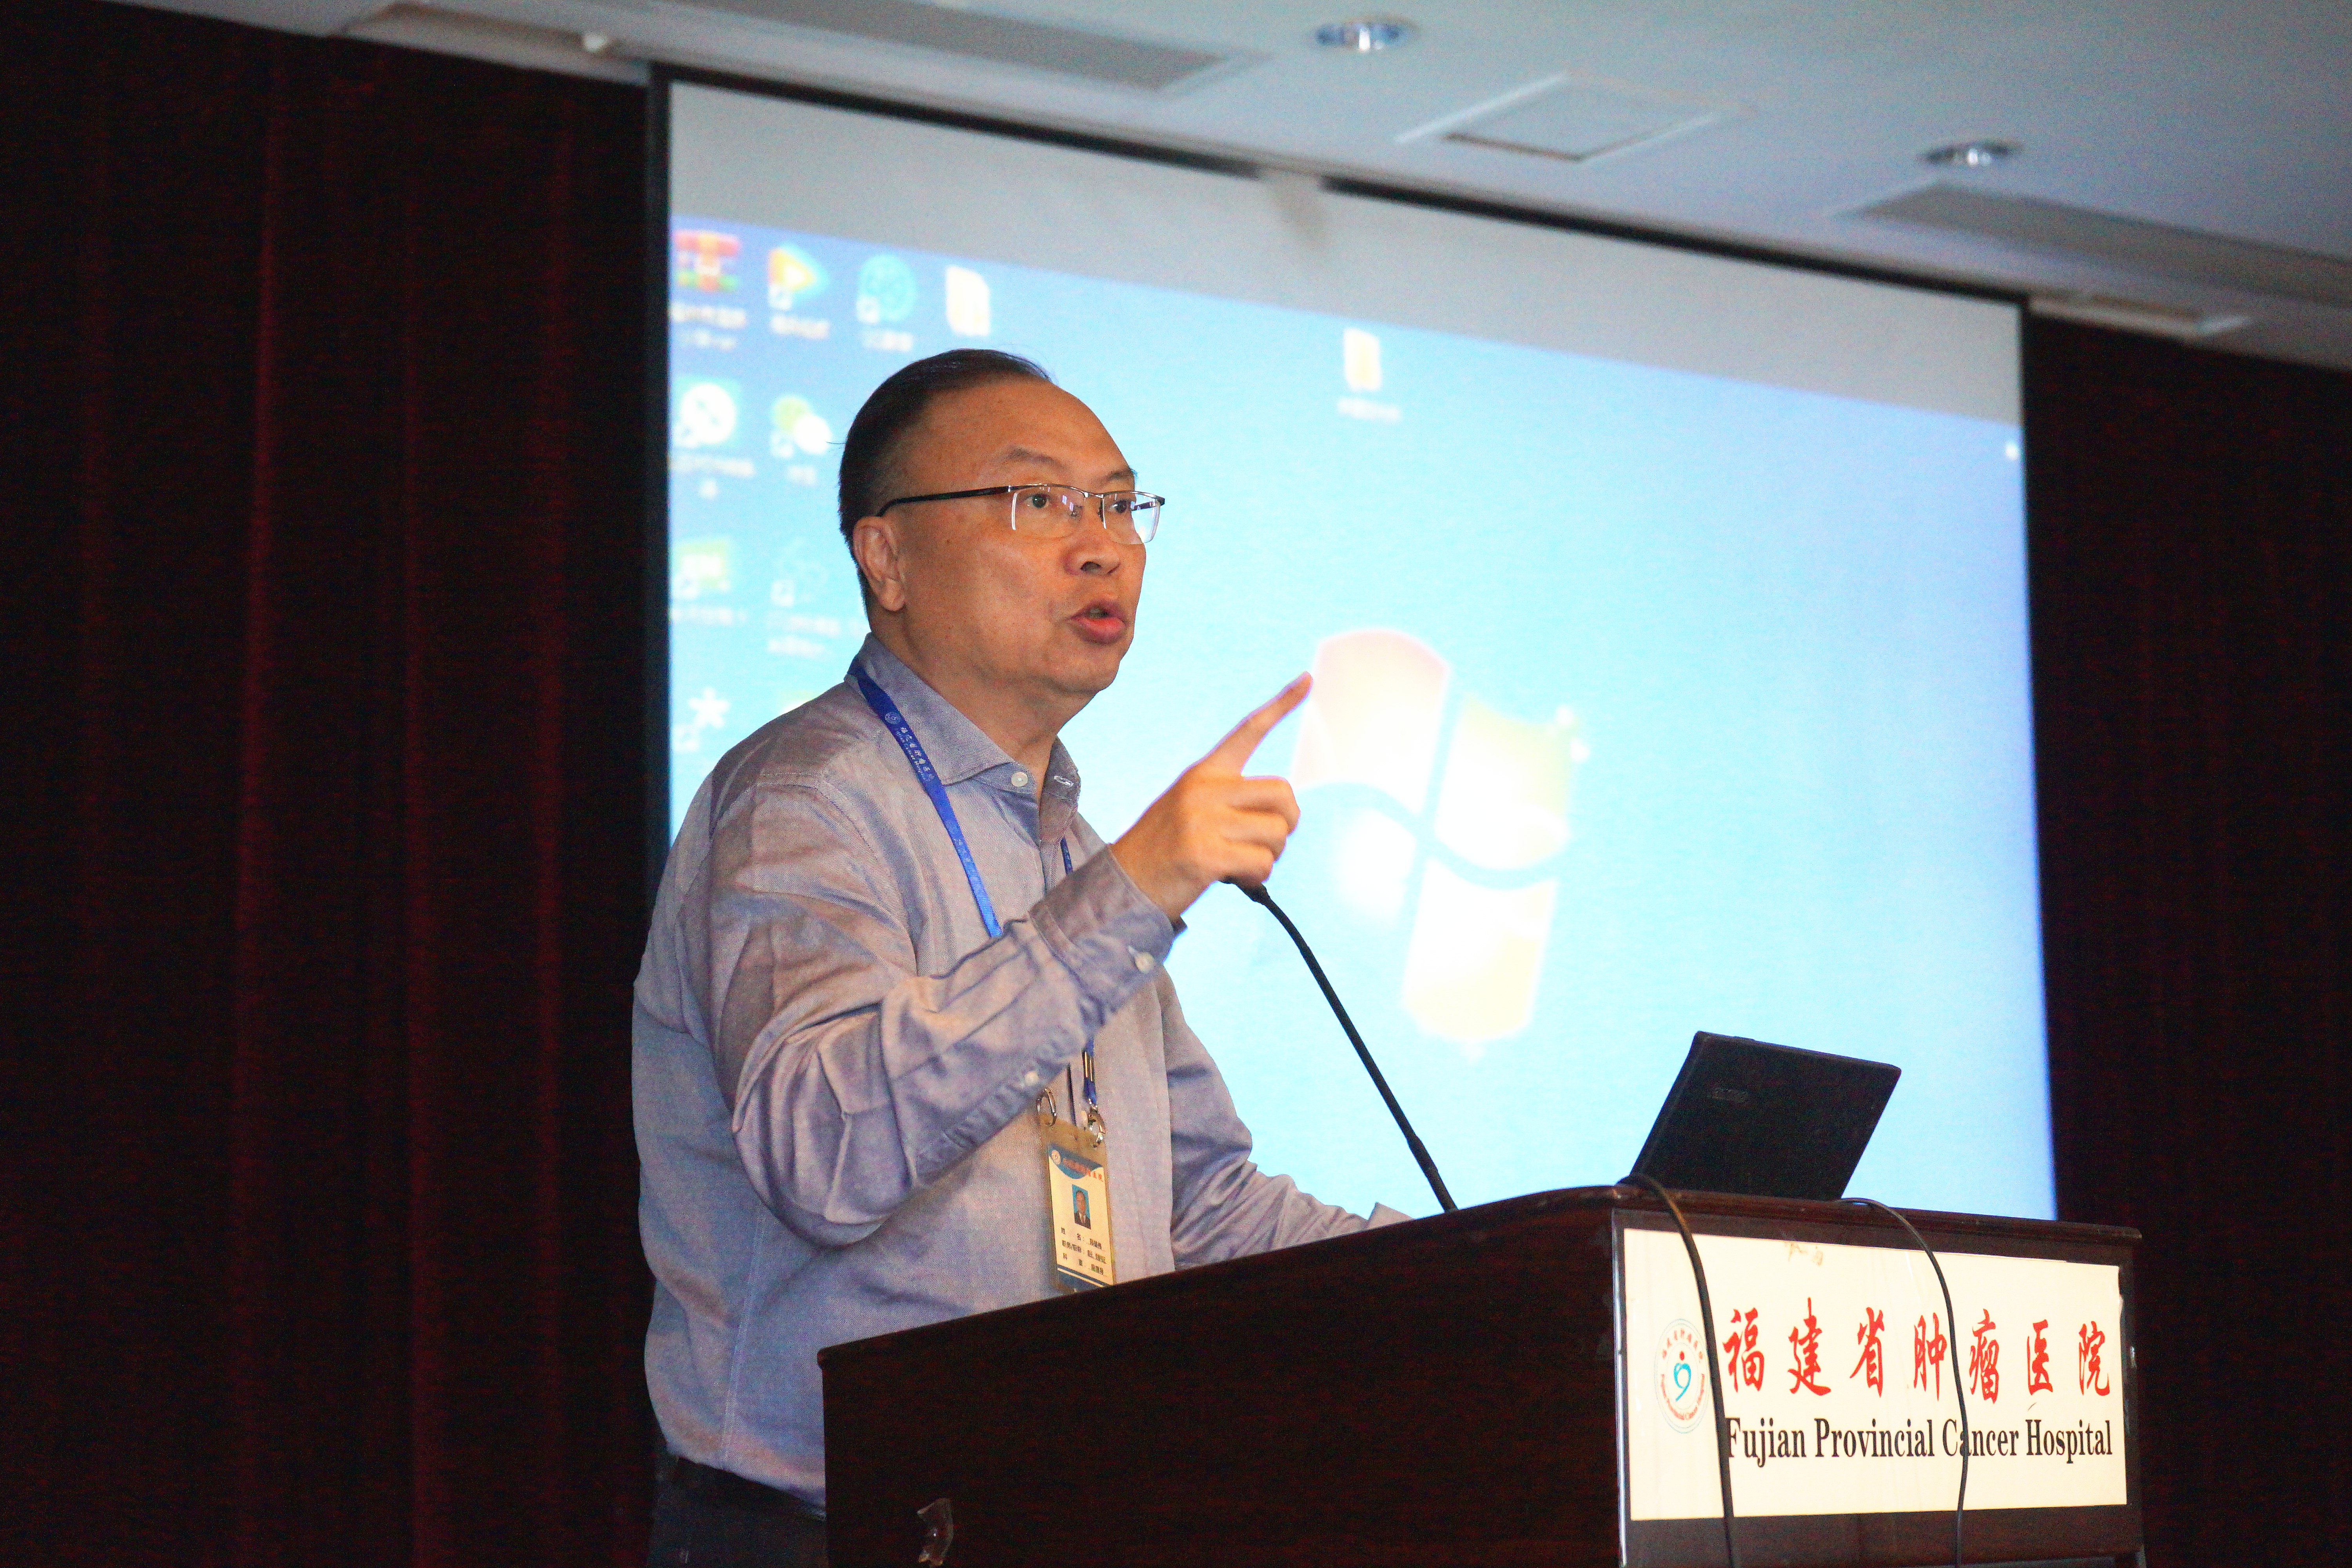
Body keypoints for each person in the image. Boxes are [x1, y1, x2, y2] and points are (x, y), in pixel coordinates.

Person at [634, 348, 1400, 1568]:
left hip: (1049, 1523)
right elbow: (822, 1155)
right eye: (1039, 500)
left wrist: (1506, 1266)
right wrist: (1136, 893)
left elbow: (1200, 1212)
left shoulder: (1073, 856)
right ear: (886, 557)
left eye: (1121, 504)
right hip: (826, 1540)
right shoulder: (804, 800)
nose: (1103, 547)